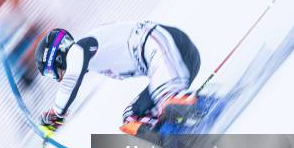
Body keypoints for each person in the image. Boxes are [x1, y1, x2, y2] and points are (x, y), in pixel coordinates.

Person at [35, 21, 201, 135]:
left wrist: (56, 115)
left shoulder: (80, 48)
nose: (57, 79)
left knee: (166, 99)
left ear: (56, 57)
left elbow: (71, 80)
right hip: (168, 62)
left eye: (52, 73)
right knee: (131, 118)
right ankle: (173, 142)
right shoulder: (89, 57)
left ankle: (193, 106)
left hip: (166, 47)